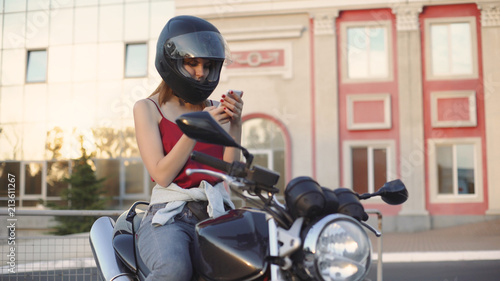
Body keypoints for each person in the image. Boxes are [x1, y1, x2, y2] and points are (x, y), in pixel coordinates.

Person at [133, 15, 243, 281]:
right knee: (174, 270)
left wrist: (237, 124)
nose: (200, 72)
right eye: (192, 63)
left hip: (215, 213)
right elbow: (162, 174)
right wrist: (196, 128)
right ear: (172, 62)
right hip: (169, 216)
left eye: (207, 65)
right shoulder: (148, 108)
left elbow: (231, 172)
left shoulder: (214, 109)